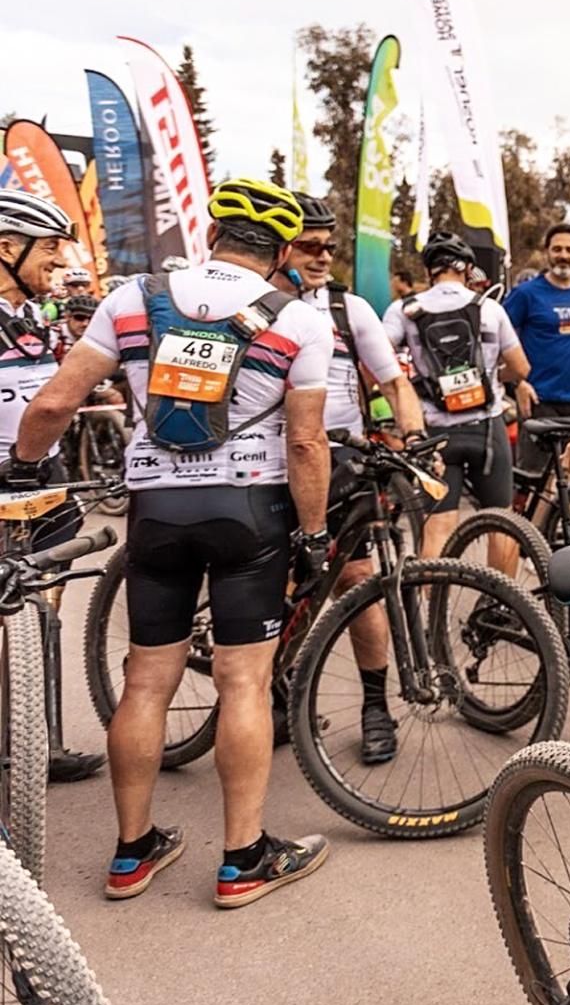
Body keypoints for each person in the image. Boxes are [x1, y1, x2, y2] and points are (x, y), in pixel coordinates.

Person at [7, 177, 336, 907]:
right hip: (249, 508)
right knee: (243, 682)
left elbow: (56, 400)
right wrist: (314, 533)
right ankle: (243, 858)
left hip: (156, 510)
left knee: (146, 679)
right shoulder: (302, 321)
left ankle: (132, 853)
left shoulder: (132, 298)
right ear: (281, 249)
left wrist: (23, 466)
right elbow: (308, 444)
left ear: (211, 230)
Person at [282, 192, 429, 765]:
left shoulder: (350, 309)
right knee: (279, 587)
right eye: (309, 246)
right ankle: (271, 689)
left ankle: (375, 706)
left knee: (358, 579)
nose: (322, 257)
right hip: (273, 466)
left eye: (329, 246)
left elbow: (395, 384)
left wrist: (414, 437)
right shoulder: (261, 306)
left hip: (339, 465)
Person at [0, 191, 104, 781]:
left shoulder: (32, 318)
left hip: (48, 480)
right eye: (49, 248)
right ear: (7, 248)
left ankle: (36, 746)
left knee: (41, 610)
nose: (59, 260)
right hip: (2, 484)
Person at [383, 233, 529, 563]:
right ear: (467, 269)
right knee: (502, 523)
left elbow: (377, 362)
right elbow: (521, 367)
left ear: (430, 270)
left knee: (437, 527)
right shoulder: (489, 308)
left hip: (435, 432)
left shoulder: (404, 310)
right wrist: (490, 379)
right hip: (487, 429)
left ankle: (432, 612)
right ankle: (503, 610)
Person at [502, 222, 570, 473]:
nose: (564, 255)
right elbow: (498, 340)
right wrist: (517, 384)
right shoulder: (525, 294)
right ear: (547, 252)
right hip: (539, 401)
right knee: (535, 480)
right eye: (557, 249)